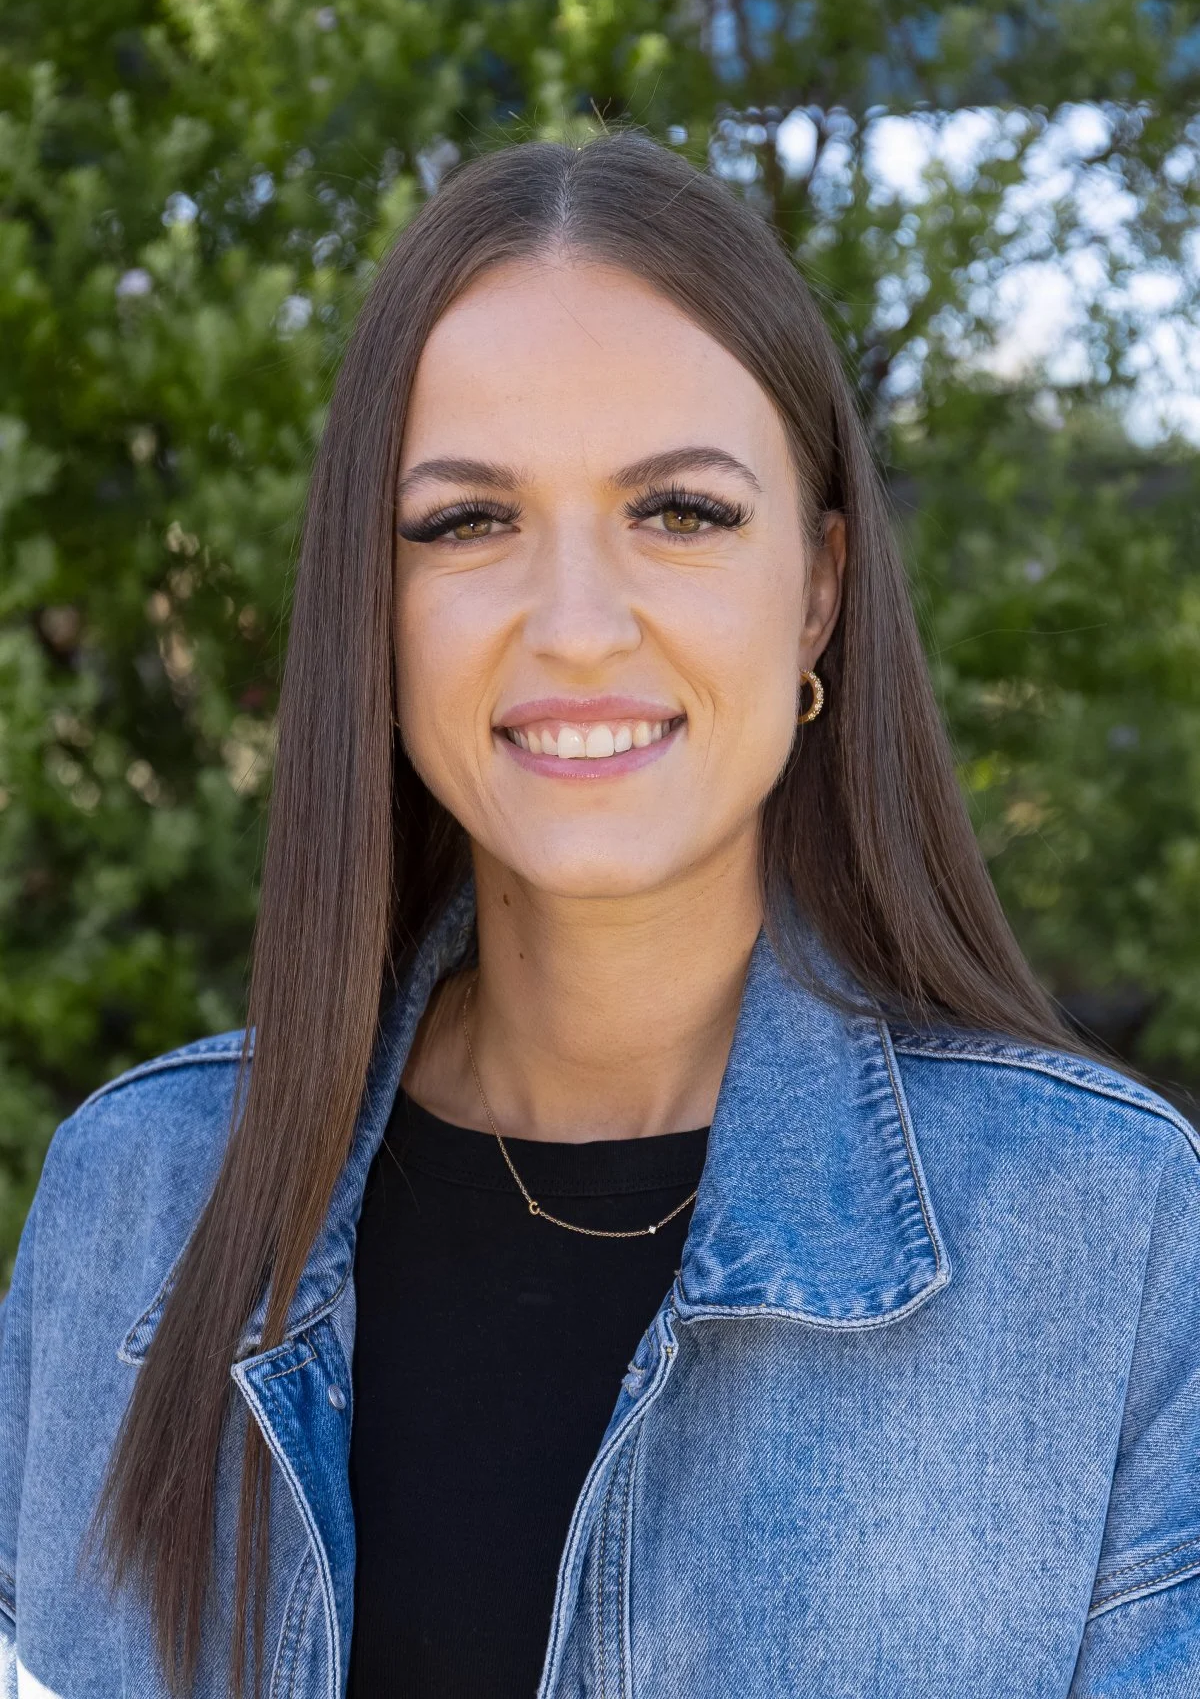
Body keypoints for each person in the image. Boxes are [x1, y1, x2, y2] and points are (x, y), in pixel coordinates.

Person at [2, 134, 1198, 1699]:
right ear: (377, 598)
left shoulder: (1108, 1239)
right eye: (466, 523)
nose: (575, 625)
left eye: (682, 513)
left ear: (820, 588)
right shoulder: (131, 1204)